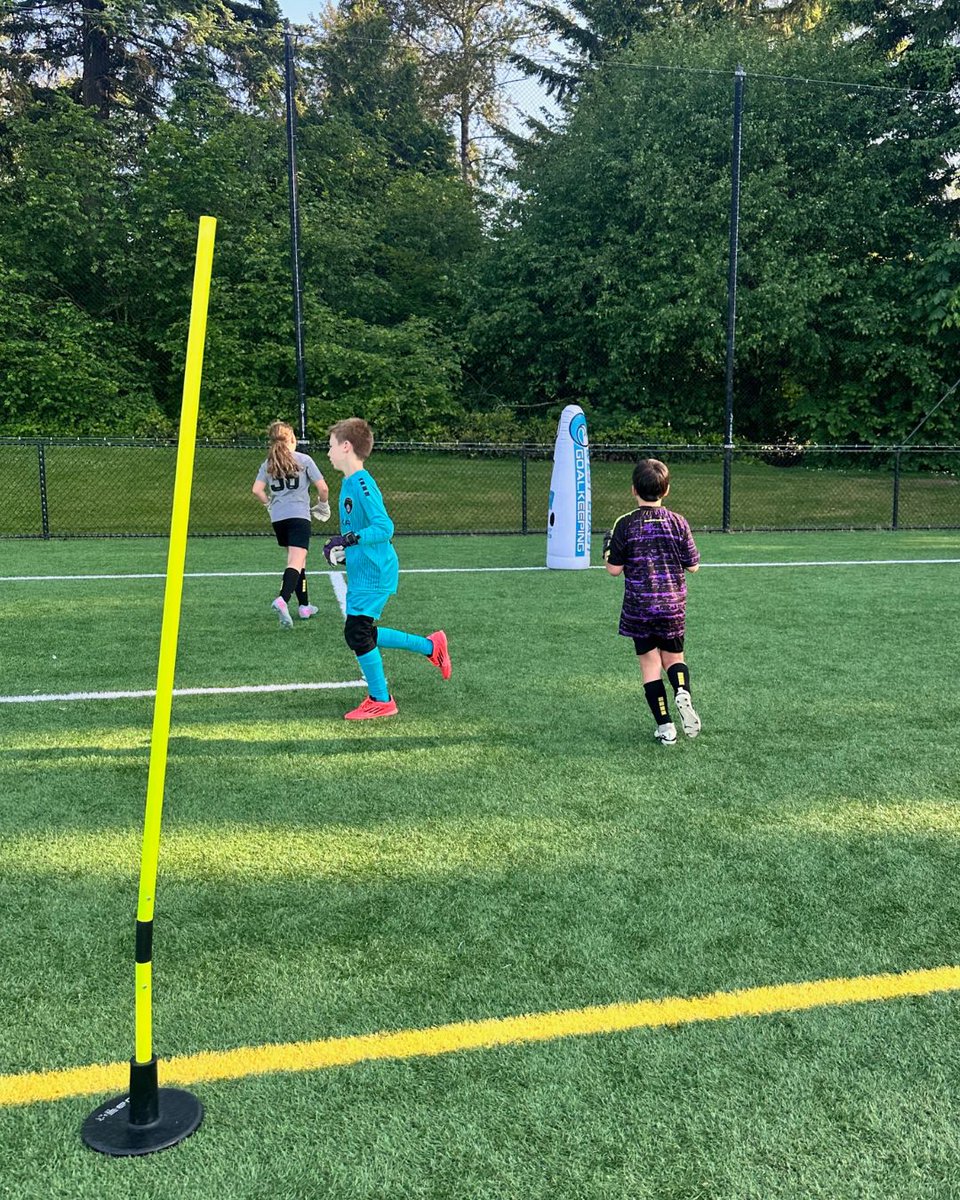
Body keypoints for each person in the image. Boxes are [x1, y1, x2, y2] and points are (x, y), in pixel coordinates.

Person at [322, 417, 451, 720]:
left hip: (376, 571)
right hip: (364, 568)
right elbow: (361, 531)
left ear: (345, 446)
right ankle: (431, 646)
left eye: (330, 447)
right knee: (363, 632)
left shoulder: (363, 482)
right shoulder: (349, 482)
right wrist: (344, 550)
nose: (327, 453)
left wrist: (351, 538)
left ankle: (381, 699)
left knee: (357, 632)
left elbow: (385, 527)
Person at [603, 458, 701, 746]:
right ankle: (682, 690)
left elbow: (613, 569)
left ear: (633, 489)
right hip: (672, 606)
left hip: (639, 609)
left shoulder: (625, 523)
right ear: (666, 490)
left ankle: (666, 727)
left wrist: (607, 548)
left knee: (650, 665)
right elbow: (693, 565)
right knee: (674, 659)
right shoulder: (678, 522)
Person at [252, 420, 331, 628]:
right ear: (292, 438)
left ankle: (304, 606)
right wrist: (323, 505)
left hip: (279, 519)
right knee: (296, 561)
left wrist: (269, 505)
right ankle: (282, 599)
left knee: (299, 561)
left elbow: (257, 490)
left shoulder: (268, 463)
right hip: (298, 517)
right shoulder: (304, 459)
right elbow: (323, 488)